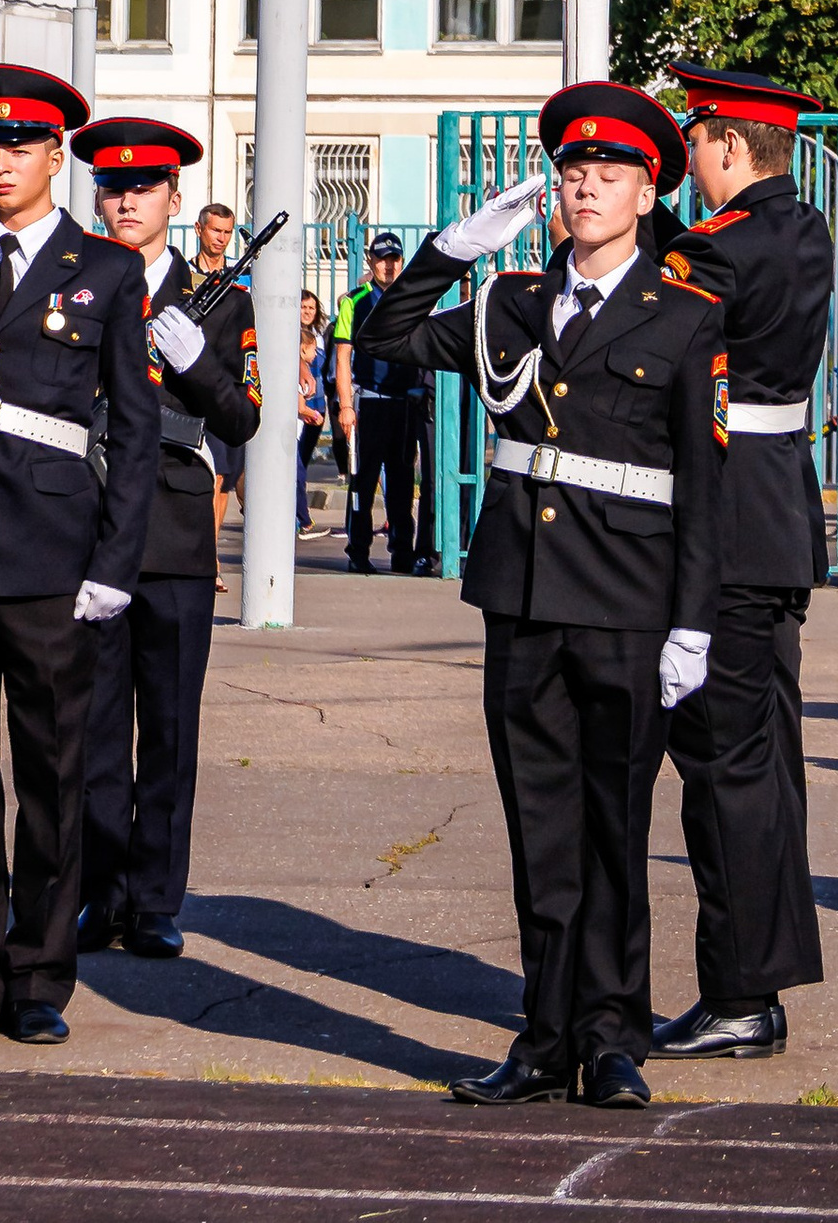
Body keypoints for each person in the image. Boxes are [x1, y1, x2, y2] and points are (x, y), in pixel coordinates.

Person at [360, 78, 722, 1112]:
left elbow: (706, 482)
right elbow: (385, 340)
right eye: (573, 171)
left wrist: (692, 618)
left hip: (629, 599)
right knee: (539, 826)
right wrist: (446, 253)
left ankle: (613, 1036)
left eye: (610, 173)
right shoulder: (507, 303)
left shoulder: (685, 313)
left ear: (649, 192)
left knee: (613, 825)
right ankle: (542, 1032)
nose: (586, 187)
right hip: (523, 592)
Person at [0, 63, 158, 1042]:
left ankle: (39, 977)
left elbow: (134, 430)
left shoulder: (105, 269)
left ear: (58, 154)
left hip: (53, 557)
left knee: (51, 774)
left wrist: (114, 561)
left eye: (19, 144)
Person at [649, 64, 835, 1069]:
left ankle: (739, 990)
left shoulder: (711, 249)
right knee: (760, 760)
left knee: (723, 766)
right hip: (776, 512)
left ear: (721, 143)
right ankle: (754, 977)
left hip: (718, 517)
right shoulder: (799, 226)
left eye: (691, 141)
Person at [68, 114, 261, 957]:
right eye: (111, 186)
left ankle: (155, 900)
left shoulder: (221, 302)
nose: (124, 201)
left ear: (174, 198)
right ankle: (99, 895)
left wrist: (196, 362)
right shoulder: (71, 284)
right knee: (93, 726)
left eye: (143, 186)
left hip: (175, 527)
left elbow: (243, 418)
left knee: (169, 727)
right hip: (86, 518)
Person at [338, 230, 430, 572]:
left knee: (403, 482)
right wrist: (346, 405)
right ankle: (358, 552)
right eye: (382, 260)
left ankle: (402, 553)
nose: (388, 267)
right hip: (369, 402)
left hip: (405, 403)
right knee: (363, 481)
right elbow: (343, 355)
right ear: (371, 262)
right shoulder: (355, 301)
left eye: (394, 259)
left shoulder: (410, 299)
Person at [193, 202, 246, 527]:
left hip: (229, 386)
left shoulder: (240, 279)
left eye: (227, 233)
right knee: (210, 475)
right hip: (192, 386)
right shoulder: (183, 275)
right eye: (216, 230)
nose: (221, 238)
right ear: (199, 229)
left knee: (226, 478)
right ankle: (206, 561)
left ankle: (210, 556)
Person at [297, 290, 329, 529]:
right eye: (303, 307)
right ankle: (300, 516)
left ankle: (298, 512)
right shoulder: (292, 335)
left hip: (318, 407)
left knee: (303, 461)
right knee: (294, 464)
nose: (307, 312)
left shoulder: (321, 336)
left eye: (311, 308)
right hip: (299, 408)